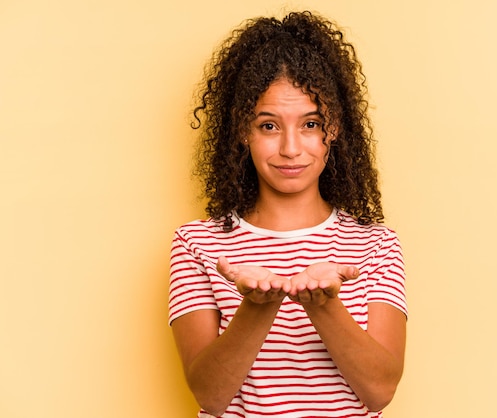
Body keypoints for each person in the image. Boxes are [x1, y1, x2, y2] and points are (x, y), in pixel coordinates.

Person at [168, 11, 407, 418]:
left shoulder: (376, 245)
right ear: (243, 131)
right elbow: (209, 394)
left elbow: (380, 389)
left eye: (310, 124)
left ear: (332, 129)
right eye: (268, 126)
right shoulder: (197, 244)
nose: (291, 149)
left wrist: (323, 304)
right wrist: (257, 307)